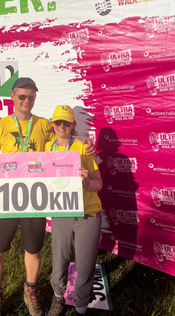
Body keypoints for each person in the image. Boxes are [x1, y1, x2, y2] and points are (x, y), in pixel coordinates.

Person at [0, 78, 96, 316]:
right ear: (12, 97)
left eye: (31, 97)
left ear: (35, 98)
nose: (27, 100)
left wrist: (86, 144)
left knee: (34, 250)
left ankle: (31, 291)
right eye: (22, 96)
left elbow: (64, 139)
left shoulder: (45, 124)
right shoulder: (0, 126)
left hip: (35, 196)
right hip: (7, 195)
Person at [46, 105, 102, 316]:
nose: (62, 126)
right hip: (62, 211)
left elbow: (99, 184)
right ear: (52, 124)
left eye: (66, 123)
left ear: (73, 125)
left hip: (87, 213)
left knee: (85, 263)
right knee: (59, 261)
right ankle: (58, 297)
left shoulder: (83, 148)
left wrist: (86, 183)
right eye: (58, 122)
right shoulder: (46, 149)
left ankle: (81, 306)